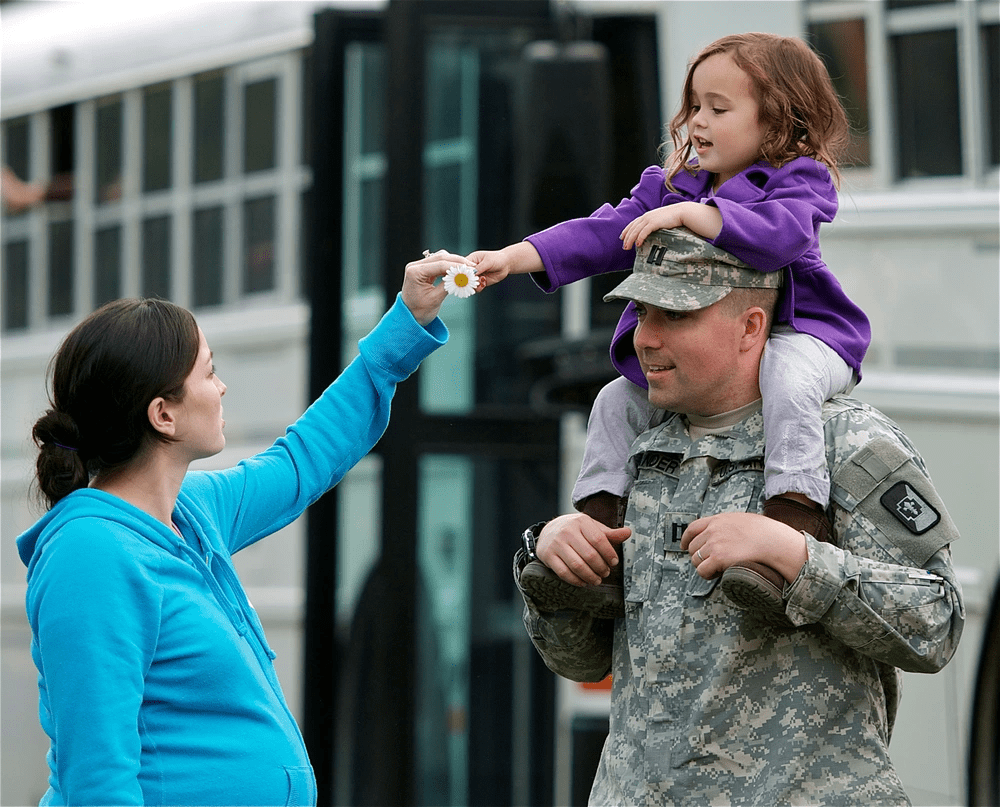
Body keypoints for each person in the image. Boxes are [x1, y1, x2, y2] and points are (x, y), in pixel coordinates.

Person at [511, 228, 964, 805]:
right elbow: (584, 661)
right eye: (640, 310)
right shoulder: (632, 445)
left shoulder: (844, 443)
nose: (643, 338)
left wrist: (800, 560)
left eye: (674, 316)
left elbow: (937, 625)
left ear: (751, 326)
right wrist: (552, 567)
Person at [16, 250, 473, 805]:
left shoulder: (191, 510)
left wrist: (408, 319)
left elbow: (301, 461)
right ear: (163, 415)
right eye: (209, 372)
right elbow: (98, 781)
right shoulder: (90, 556)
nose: (222, 388)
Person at [472, 32, 869, 616]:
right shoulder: (672, 184)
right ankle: (600, 540)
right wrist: (516, 256)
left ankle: (790, 521)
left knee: (786, 378)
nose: (698, 122)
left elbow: (782, 237)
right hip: (723, 356)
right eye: (694, 106)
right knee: (613, 400)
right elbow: (601, 233)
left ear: (779, 121)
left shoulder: (798, 181)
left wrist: (698, 216)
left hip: (806, 335)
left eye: (719, 108)